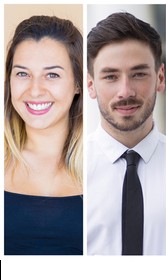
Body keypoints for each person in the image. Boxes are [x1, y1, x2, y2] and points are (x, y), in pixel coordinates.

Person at [86, 12, 166, 255]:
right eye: (110, 76)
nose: (125, 91)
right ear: (90, 85)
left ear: (160, 78)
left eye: (139, 74)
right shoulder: (69, 169)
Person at [4, 15, 83, 255]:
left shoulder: (106, 166)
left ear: (78, 83)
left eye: (52, 75)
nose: (35, 90)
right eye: (22, 74)